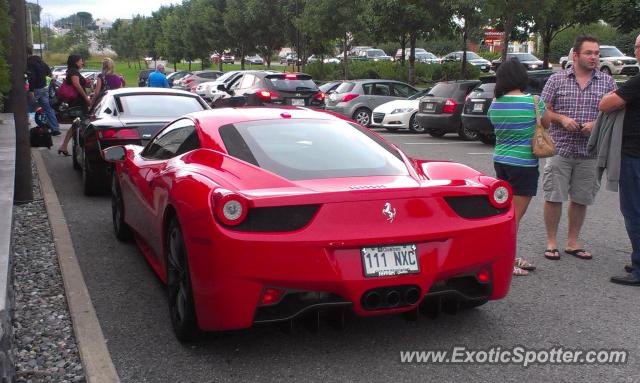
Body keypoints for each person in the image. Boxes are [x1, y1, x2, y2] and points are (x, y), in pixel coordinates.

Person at [540, 35, 616, 261]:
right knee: (553, 195)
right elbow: (543, 111)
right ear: (575, 55)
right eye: (589, 53)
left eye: (597, 53)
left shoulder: (607, 82)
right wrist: (561, 118)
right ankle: (551, 242)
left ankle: (572, 242)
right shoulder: (557, 79)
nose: (594, 57)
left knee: (581, 198)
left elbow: (612, 113)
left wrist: (596, 124)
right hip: (560, 148)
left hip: (590, 152)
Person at [487, 58, 545, 276]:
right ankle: (505, 262)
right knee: (513, 218)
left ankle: (509, 257)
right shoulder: (534, 102)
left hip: (501, 160)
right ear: (522, 77)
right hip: (524, 163)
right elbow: (546, 123)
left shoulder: (496, 103)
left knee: (504, 212)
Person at [598, 33, 640, 286]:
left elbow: (607, 104)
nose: (636, 50)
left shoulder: (637, 83)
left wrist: (614, 95)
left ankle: (639, 268)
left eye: (638, 46)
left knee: (634, 211)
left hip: (635, 155)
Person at [57, 54, 90, 156]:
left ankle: (64, 146)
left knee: (76, 124)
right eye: (81, 61)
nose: (82, 63)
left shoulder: (71, 71)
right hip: (79, 102)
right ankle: (82, 146)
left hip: (77, 101)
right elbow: (77, 85)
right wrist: (86, 98)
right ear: (76, 62)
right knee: (82, 122)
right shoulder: (73, 72)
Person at [26, 47, 60, 135]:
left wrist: (31, 90)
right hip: (44, 88)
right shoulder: (41, 62)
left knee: (25, 106)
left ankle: (24, 126)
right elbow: (49, 73)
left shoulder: (30, 63)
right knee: (48, 108)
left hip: (35, 89)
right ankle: (55, 128)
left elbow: (32, 78)